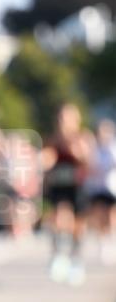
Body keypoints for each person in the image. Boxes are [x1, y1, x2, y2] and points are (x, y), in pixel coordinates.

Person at [41, 103, 93, 285]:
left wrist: (78, 152)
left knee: (77, 226)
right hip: (59, 186)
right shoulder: (53, 139)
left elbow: (89, 162)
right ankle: (58, 255)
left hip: (77, 186)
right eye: (61, 118)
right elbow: (46, 160)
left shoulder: (83, 138)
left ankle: (76, 259)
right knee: (61, 217)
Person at [86, 118, 116, 263]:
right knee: (98, 215)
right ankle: (102, 241)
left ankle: (111, 238)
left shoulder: (113, 148)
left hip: (111, 187)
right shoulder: (94, 149)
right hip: (97, 187)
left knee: (110, 215)